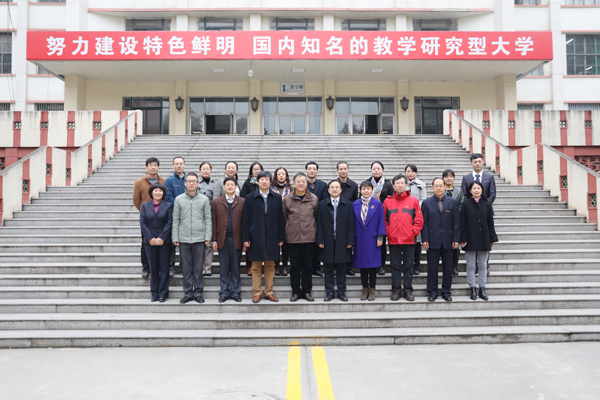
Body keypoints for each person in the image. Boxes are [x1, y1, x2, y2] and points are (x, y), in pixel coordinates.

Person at [242, 171, 285, 303]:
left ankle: (269, 292)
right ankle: (256, 292)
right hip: (255, 236)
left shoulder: (276, 197)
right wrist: (246, 238)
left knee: (270, 266)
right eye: (262, 179)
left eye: (267, 179)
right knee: (255, 266)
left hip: (272, 236)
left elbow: (280, 219)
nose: (264, 181)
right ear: (258, 181)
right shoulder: (250, 197)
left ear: (270, 181)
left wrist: (281, 237)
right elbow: (246, 220)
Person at [172, 172, 212, 304]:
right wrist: (175, 236)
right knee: (186, 267)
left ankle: (198, 292)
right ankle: (188, 292)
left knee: (198, 267)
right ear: (185, 183)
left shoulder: (204, 199)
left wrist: (208, 236)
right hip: (183, 238)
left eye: (194, 181)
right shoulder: (179, 199)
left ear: (198, 183)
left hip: (199, 238)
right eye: (189, 181)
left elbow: (208, 219)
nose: (191, 183)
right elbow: (175, 219)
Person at [383, 174, 423, 302]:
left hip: (409, 239)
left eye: (402, 183)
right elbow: (383, 219)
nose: (400, 185)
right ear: (393, 186)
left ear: (406, 185)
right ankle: (396, 289)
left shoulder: (413, 201)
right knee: (394, 266)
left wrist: (413, 232)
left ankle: (408, 289)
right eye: (397, 183)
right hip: (393, 239)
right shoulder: (387, 201)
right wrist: (389, 232)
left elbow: (419, 219)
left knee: (408, 266)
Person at [422, 178, 461, 302]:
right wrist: (425, 239)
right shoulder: (426, 203)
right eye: (436, 186)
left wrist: (456, 239)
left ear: (445, 187)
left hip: (448, 240)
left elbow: (456, 222)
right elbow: (424, 223)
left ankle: (446, 291)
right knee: (432, 268)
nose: (438, 188)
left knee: (448, 268)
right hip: (432, 240)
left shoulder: (453, 202)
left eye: (440, 185)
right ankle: (432, 291)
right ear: (432, 187)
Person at [283, 172, 319, 302]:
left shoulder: (313, 198)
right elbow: (284, 217)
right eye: (298, 181)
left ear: (307, 183)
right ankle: (296, 292)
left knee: (308, 266)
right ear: (293, 183)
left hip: (309, 237)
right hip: (292, 238)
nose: (301, 183)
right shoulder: (287, 199)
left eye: (303, 181)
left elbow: (316, 216)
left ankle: (307, 291)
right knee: (294, 266)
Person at [317, 180, 355, 302]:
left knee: (342, 268)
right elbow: (319, 223)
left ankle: (341, 292)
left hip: (342, 241)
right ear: (328, 190)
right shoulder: (322, 204)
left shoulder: (348, 204)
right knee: (327, 267)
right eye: (332, 187)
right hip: (327, 240)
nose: (334, 189)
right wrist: (320, 239)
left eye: (336, 187)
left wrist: (350, 241)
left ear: (340, 190)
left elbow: (351, 224)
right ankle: (329, 292)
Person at [461, 181, 498, 301]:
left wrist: (492, 238)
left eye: (479, 188)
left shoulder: (487, 204)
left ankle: (482, 288)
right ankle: (472, 288)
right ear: (470, 191)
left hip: (484, 237)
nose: (476, 190)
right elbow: (462, 223)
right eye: (474, 188)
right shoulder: (465, 204)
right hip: (470, 238)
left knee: (482, 265)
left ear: (482, 190)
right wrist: (462, 238)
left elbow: (490, 223)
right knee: (471, 265)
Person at [461, 153, 497, 276]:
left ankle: (484, 266)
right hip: (470, 213)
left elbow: (492, 194)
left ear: (482, 162)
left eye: (479, 161)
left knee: (485, 238)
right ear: (471, 163)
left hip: (485, 213)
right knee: (472, 238)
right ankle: (474, 266)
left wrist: (484, 206)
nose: (477, 163)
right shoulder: (466, 178)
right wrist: (471, 206)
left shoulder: (489, 177)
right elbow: (464, 195)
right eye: (475, 161)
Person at [211, 177, 245, 303]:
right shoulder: (216, 202)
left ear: (235, 187)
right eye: (227, 185)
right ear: (224, 187)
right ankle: (224, 292)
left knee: (235, 267)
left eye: (232, 185)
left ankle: (236, 292)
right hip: (222, 239)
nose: (230, 187)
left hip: (237, 239)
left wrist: (245, 240)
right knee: (224, 267)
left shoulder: (242, 201)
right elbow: (214, 222)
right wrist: (214, 240)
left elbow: (245, 222)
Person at [352, 181, 386, 301]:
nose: (366, 191)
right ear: (360, 191)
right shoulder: (355, 204)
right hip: (359, 239)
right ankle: (364, 288)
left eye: (368, 189)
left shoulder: (377, 204)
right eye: (363, 189)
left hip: (373, 239)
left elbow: (381, 221)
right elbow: (351, 223)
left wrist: (380, 237)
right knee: (362, 266)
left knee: (372, 265)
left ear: (372, 190)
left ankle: (372, 289)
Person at [139, 183, 173, 302]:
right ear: (151, 192)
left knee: (164, 267)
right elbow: (143, 222)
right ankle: (154, 293)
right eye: (156, 190)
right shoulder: (145, 205)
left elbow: (169, 222)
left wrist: (162, 237)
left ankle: (163, 293)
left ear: (163, 193)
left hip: (164, 241)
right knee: (153, 267)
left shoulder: (168, 205)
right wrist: (150, 238)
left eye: (160, 191)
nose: (158, 193)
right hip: (150, 242)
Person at [133, 157, 165, 278]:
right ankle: (146, 268)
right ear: (146, 167)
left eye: (155, 165)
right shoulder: (139, 183)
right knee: (145, 242)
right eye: (151, 165)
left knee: (163, 242)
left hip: (161, 217)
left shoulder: (164, 181)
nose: (153, 167)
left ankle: (161, 267)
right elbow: (136, 200)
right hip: (147, 218)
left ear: (158, 167)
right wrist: (144, 212)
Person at [370, 161, 394, 276]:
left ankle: (381, 265)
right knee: (371, 242)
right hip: (370, 216)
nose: (376, 171)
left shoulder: (388, 184)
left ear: (382, 170)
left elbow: (391, 200)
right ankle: (373, 264)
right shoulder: (367, 183)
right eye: (374, 169)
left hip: (383, 215)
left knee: (382, 241)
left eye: (378, 168)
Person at [164, 156, 187, 277]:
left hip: (188, 216)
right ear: (173, 166)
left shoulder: (189, 179)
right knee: (172, 242)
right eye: (176, 164)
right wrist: (180, 207)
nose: (179, 166)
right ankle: (171, 266)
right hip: (173, 215)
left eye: (181, 163)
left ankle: (184, 265)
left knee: (185, 242)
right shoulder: (169, 181)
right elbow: (168, 197)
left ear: (184, 165)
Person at [241, 162, 264, 276]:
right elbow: (243, 198)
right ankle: (249, 266)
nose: (256, 171)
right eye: (254, 169)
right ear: (251, 171)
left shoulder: (265, 183)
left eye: (258, 169)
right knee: (250, 243)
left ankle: (262, 265)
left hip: (263, 215)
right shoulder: (247, 183)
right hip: (251, 215)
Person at [306, 161, 328, 278]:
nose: (312, 170)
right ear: (306, 171)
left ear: (317, 171)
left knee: (317, 243)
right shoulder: (302, 184)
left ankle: (316, 267)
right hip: (305, 218)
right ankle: (307, 268)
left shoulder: (323, 185)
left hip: (319, 217)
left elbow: (324, 200)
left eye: (314, 169)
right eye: (309, 168)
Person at [336, 161, 359, 276]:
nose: (343, 171)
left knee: (349, 243)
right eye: (341, 169)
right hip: (336, 218)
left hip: (349, 218)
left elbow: (355, 201)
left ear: (348, 170)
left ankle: (348, 267)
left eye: (345, 169)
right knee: (336, 243)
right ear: (337, 171)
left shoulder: (354, 185)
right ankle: (336, 266)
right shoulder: (334, 185)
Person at [405, 164, 427, 277]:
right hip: (404, 216)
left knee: (417, 242)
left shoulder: (421, 185)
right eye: (408, 171)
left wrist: (415, 208)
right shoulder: (402, 183)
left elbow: (423, 199)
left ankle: (416, 265)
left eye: (413, 171)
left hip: (417, 215)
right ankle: (407, 265)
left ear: (416, 173)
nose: (410, 173)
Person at [443, 169, 464, 276]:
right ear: (443, 178)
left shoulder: (459, 191)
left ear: (454, 178)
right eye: (446, 176)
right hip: (442, 221)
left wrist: (455, 213)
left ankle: (454, 266)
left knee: (456, 245)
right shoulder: (440, 189)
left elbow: (462, 204)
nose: (449, 178)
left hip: (456, 221)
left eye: (451, 176)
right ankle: (446, 266)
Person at [271, 167, 292, 276]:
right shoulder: (270, 188)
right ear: (276, 176)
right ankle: (276, 266)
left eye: (283, 174)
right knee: (275, 244)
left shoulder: (291, 188)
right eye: (279, 174)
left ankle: (284, 266)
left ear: (286, 176)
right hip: (274, 219)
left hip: (287, 220)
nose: (281, 176)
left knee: (285, 245)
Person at [198, 161, 216, 277]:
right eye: (203, 169)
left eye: (207, 169)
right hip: (199, 216)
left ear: (210, 170)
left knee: (209, 243)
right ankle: (199, 267)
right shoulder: (196, 183)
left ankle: (207, 268)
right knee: (199, 243)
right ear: (200, 171)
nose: (205, 171)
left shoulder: (216, 184)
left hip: (211, 215)